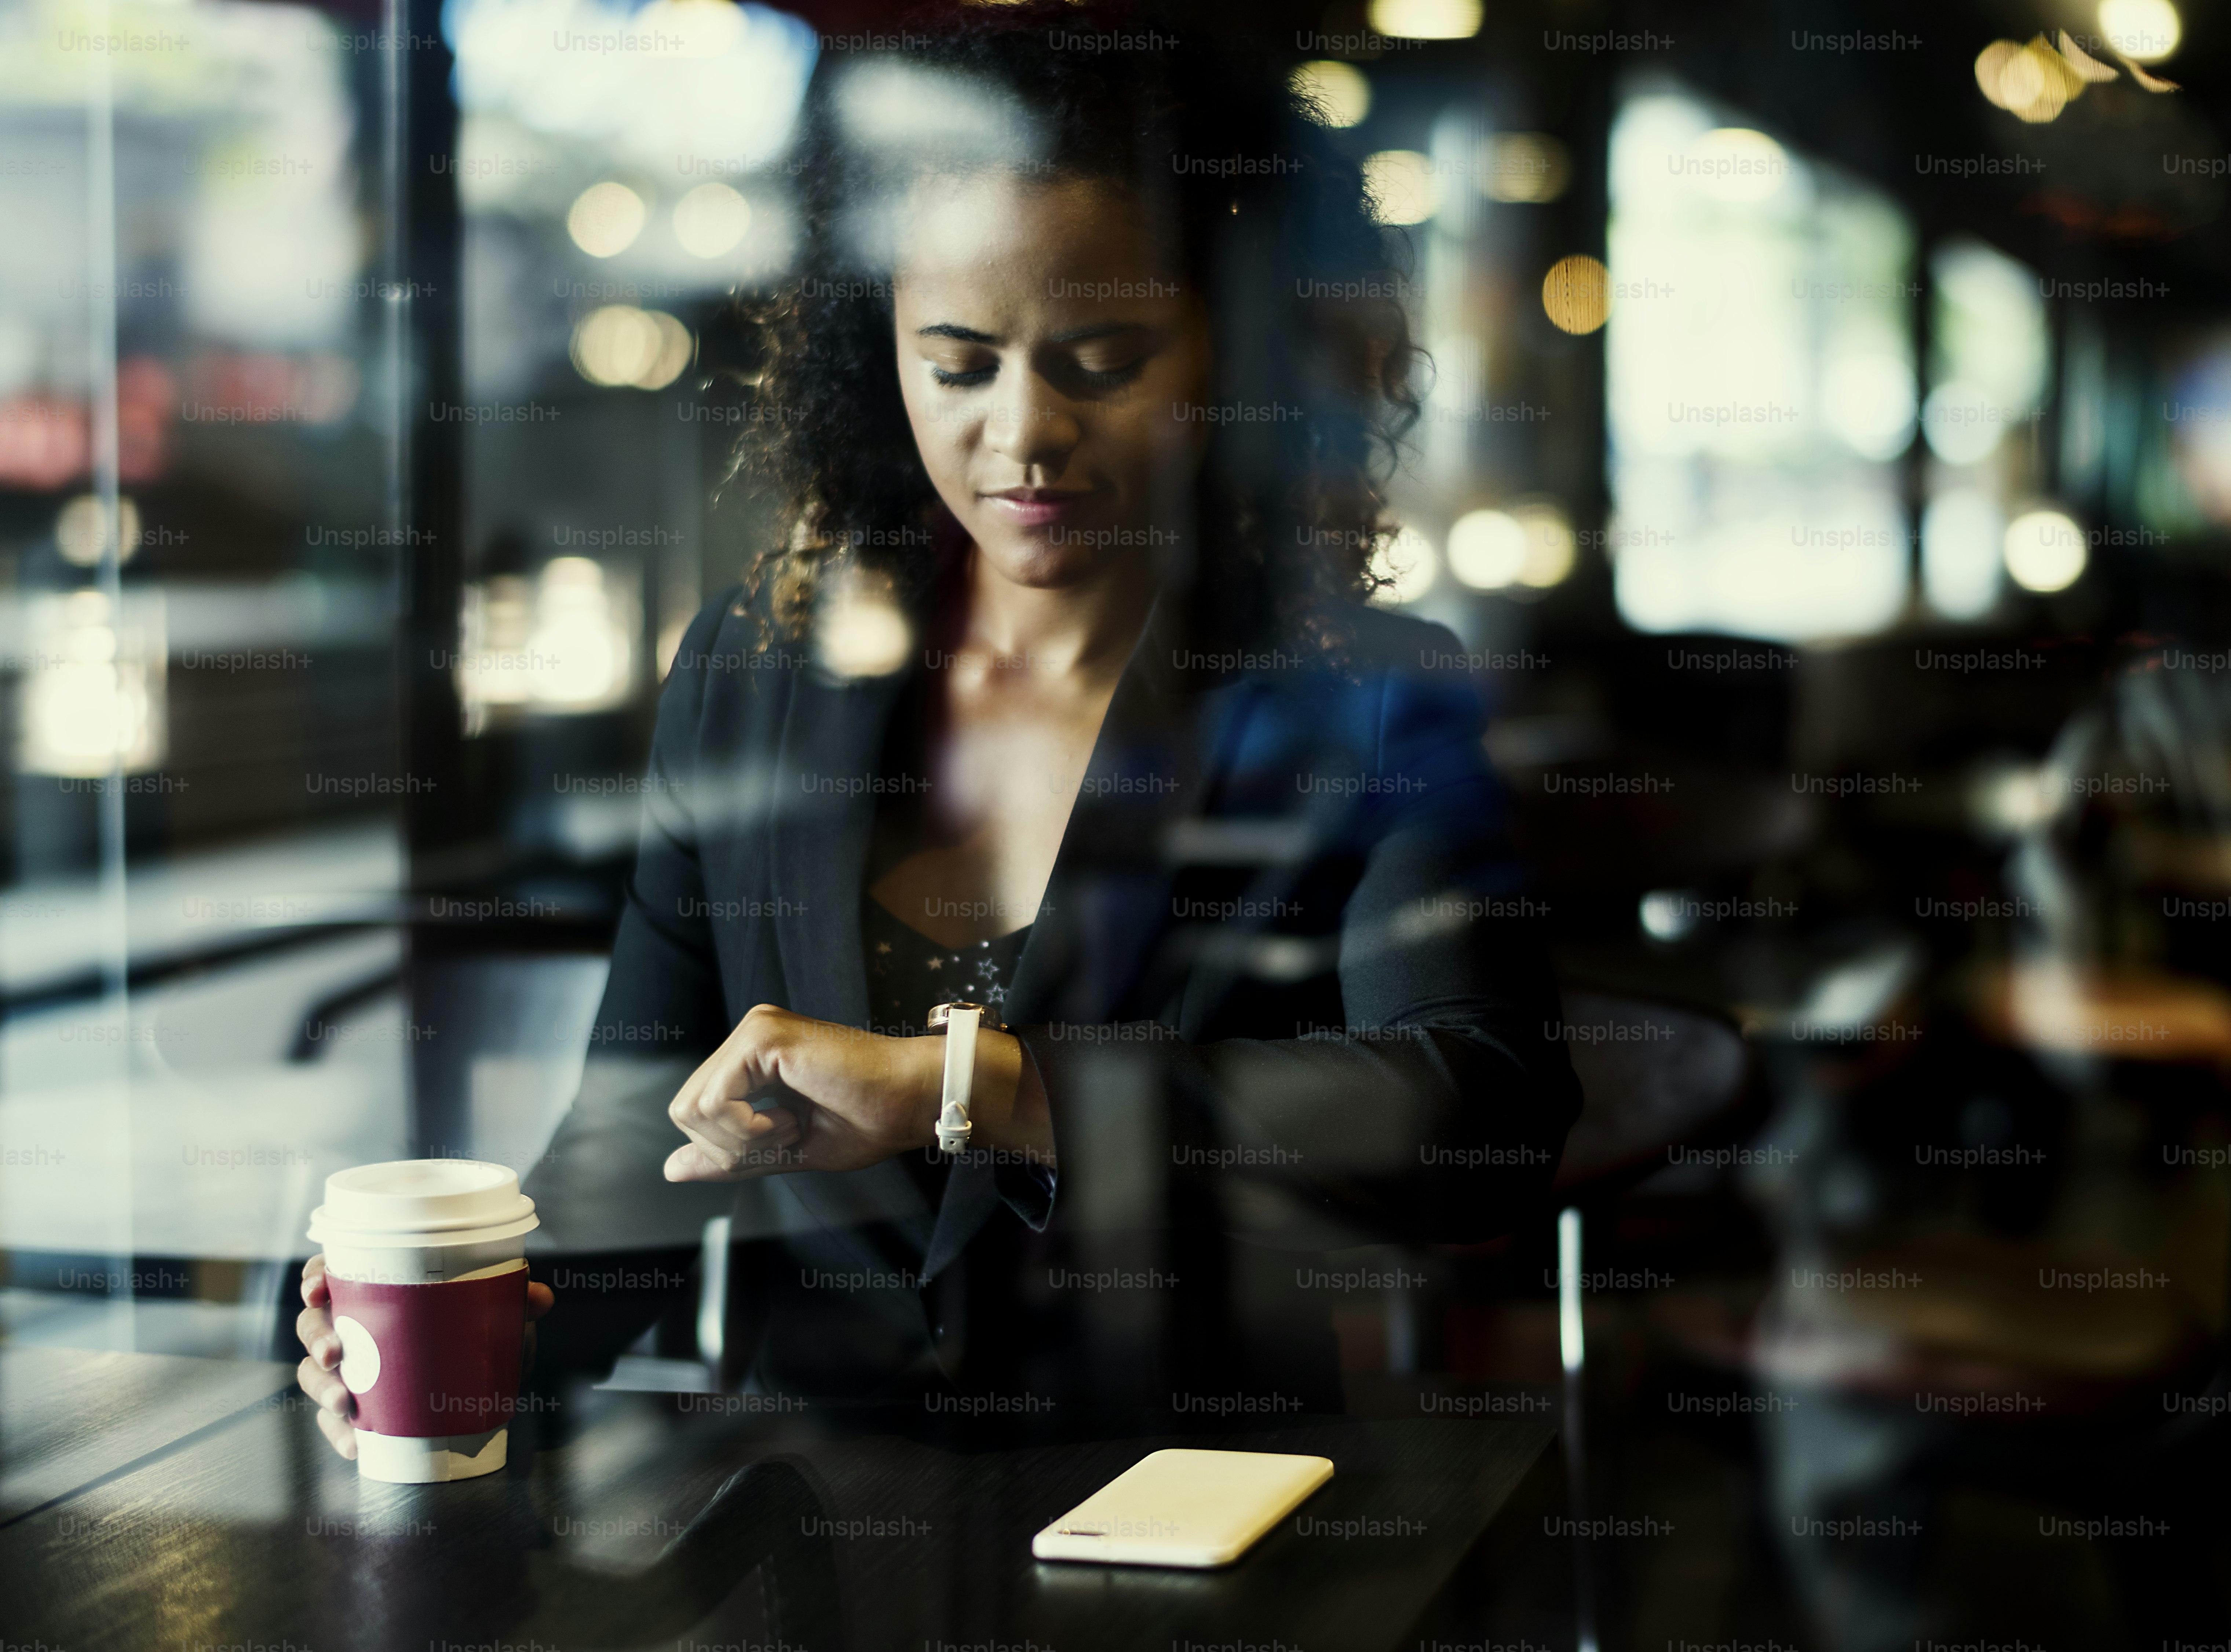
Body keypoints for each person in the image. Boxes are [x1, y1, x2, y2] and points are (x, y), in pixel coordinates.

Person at [297, 1, 1581, 1452]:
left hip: (1208, 1497)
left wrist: (971, 1088)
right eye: (960, 364)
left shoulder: (1363, 695)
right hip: (816, 1517)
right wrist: (481, 1335)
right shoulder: (752, 670)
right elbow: (642, 1140)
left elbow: (1482, 1112)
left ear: (1236, 363)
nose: (1025, 437)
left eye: (1103, 360)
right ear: (878, 355)